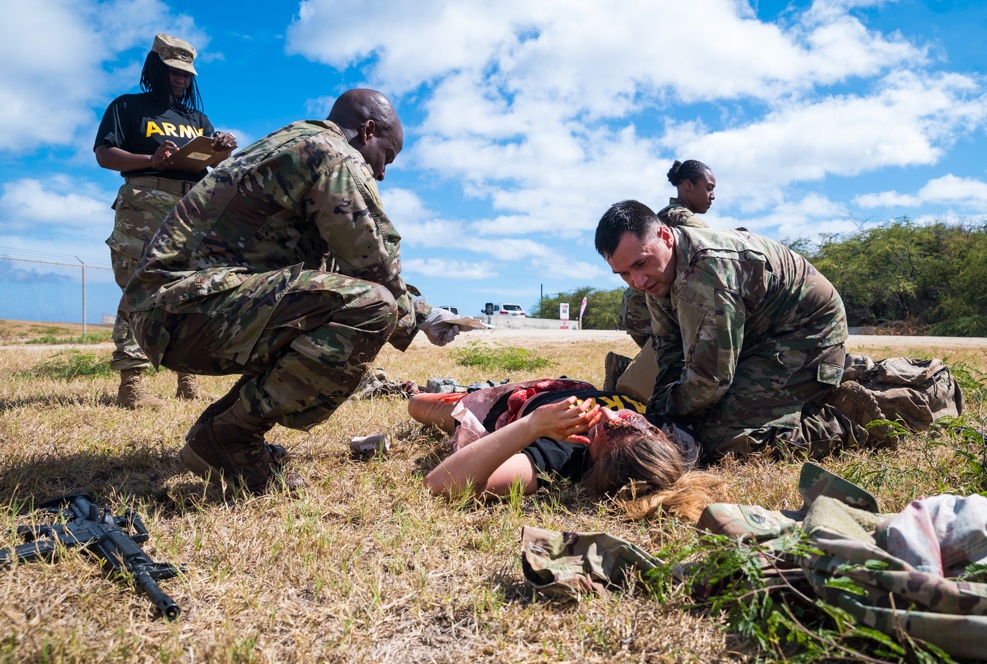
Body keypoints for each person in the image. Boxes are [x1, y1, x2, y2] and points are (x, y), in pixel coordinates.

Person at [123, 88, 469, 494]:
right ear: (367, 131)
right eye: (386, 157)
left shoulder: (297, 145)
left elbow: (342, 265)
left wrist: (425, 313)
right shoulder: (332, 153)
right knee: (371, 308)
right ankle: (229, 437)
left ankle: (221, 430)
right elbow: (372, 260)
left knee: (338, 299)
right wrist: (414, 319)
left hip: (174, 307)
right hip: (181, 309)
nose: (382, 172)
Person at [595, 200, 887, 463]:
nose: (638, 280)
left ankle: (848, 418)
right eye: (624, 274)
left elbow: (710, 380)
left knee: (720, 440)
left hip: (805, 334)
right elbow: (669, 348)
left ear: (665, 236)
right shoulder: (658, 273)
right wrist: (658, 413)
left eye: (641, 264)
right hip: (754, 335)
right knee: (683, 420)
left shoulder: (708, 273)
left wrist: (661, 423)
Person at [95, 34, 237, 409]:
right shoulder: (128, 106)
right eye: (174, 72)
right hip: (143, 203)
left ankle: (188, 379)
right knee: (137, 287)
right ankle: (132, 385)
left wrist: (221, 150)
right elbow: (105, 155)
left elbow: (214, 165)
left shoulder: (197, 118)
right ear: (156, 68)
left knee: (192, 289)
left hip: (191, 208)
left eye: (187, 74)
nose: (182, 80)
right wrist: (150, 160)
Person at [415, 379, 725, 521]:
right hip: (569, 384)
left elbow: (440, 485)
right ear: (659, 435)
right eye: (634, 423)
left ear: (595, 458)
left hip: (504, 403)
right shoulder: (677, 444)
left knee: (416, 405)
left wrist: (533, 424)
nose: (609, 414)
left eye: (609, 430)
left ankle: (437, 391)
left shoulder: (566, 453)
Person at [609, 160, 717, 389]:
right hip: (653, 308)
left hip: (639, 309)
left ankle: (623, 377)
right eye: (708, 187)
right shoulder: (685, 220)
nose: (712, 195)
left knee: (663, 363)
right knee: (679, 365)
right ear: (687, 185)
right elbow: (712, 264)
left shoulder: (662, 215)